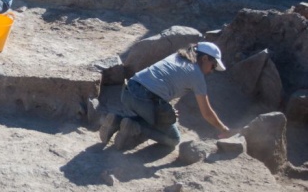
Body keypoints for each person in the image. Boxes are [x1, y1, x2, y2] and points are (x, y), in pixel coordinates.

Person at [99, 42, 233, 151]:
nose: (211, 70)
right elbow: (207, 113)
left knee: (158, 116)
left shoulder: (177, 57)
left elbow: (160, 84)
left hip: (128, 90)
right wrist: (224, 129)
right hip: (145, 99)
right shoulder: (197, 75)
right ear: (204, 59)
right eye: (213, 65)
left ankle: (118, 120)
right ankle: (133, 125)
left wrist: (165, 110)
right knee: (173, 139)